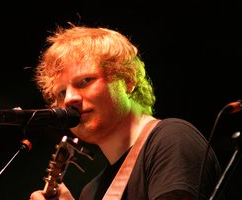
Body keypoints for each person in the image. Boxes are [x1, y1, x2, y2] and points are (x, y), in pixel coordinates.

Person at [29, 24, 222, 200]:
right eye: (61, 93)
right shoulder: (91, 192)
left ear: (127, 80)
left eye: (85, 81)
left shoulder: (171, 140)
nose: (69, 99)